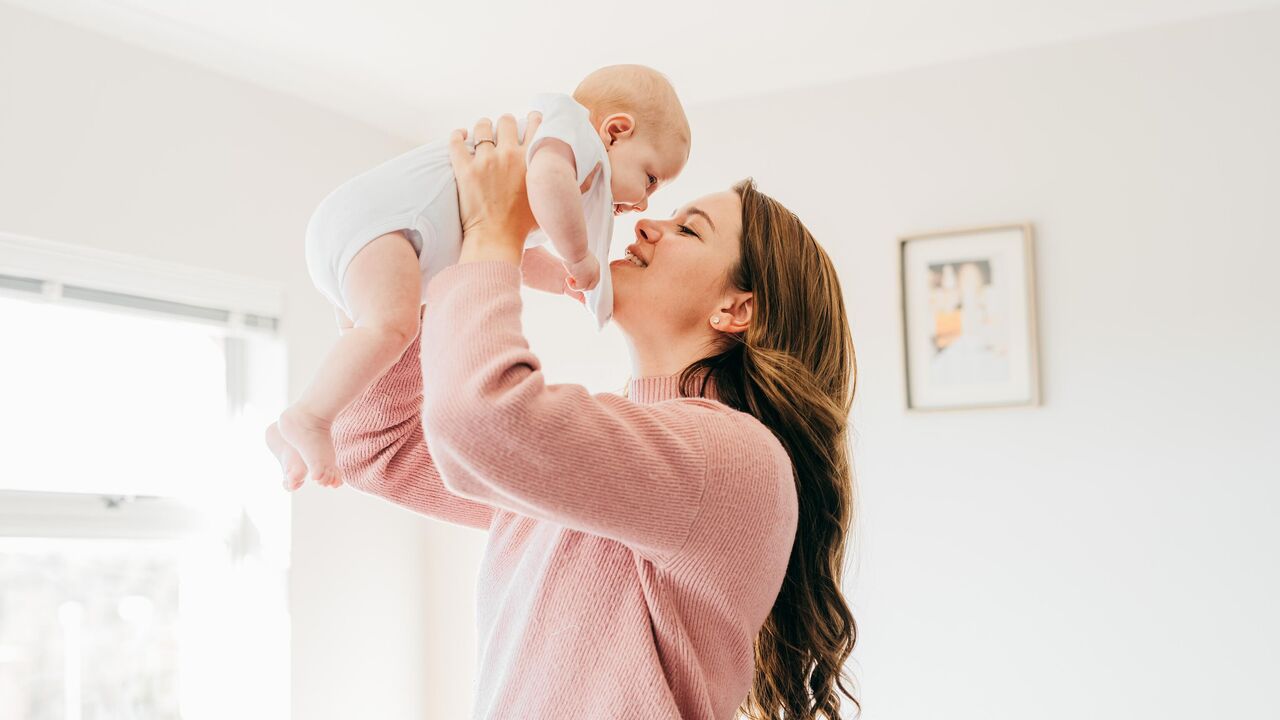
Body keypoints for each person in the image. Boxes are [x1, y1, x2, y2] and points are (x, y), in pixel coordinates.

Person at [266, 113, 859, 719]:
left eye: (689, 229)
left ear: (737, 309)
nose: (650, 224)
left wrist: (490, 234)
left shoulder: (735, 457)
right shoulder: (614, 455)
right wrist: (411, 266)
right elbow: (379, 447)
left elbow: (480, 421)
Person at [274, 65, 691, 489]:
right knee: (392, 328)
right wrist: (580, 256)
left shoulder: (556, 172)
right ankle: (309, 418)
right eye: (650, 179)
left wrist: (566, 281)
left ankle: (296, 422)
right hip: (382, 225)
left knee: (368, 346)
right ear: (616, 132)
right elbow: (547, 182)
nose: (642, 205)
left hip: (368, 235)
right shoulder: (574, 138)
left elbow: (512, 252)